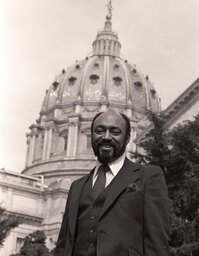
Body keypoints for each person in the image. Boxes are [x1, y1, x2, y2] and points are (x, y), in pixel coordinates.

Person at [54, 109, 170, 256]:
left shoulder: (149, 176)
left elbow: (157, 244)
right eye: (99, 131)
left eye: (115, 132)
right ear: (91, 136)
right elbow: (63, 246)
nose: (106, 137)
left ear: (128, 138)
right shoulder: (76, 187)